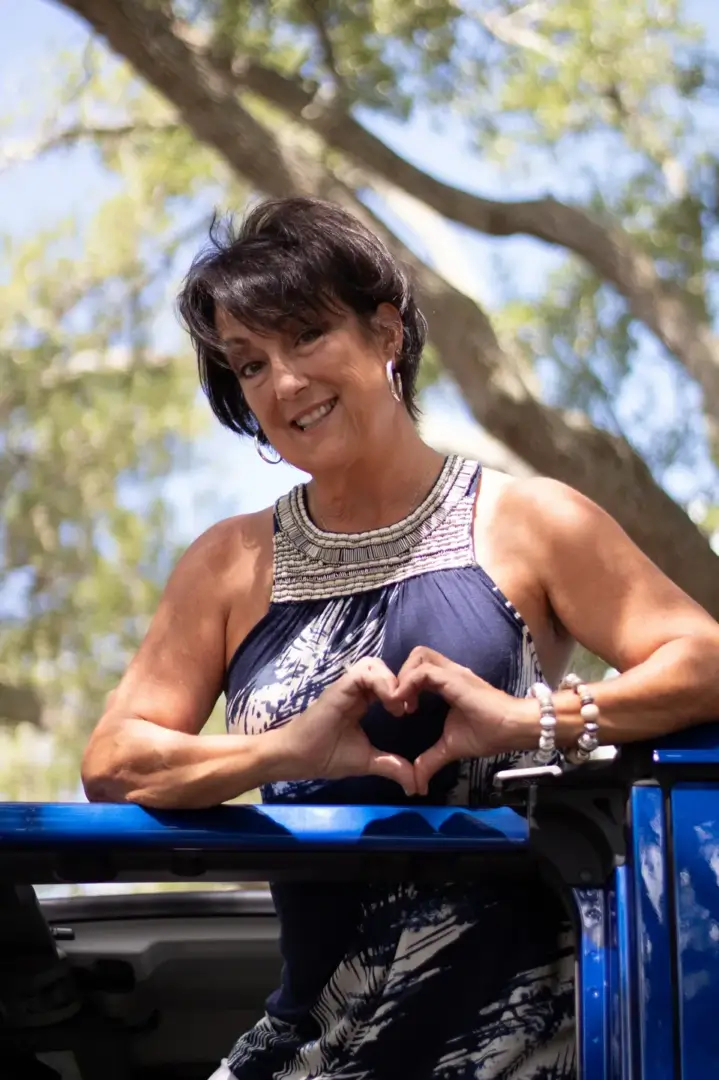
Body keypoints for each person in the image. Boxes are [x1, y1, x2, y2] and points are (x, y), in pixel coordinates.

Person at [81, 196, 719, 1080]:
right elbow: (115, 761)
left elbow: (704, 664)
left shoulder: (526, 521)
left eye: (306, 336)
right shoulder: (226, 564)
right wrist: (281, 751)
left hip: (520, 1041)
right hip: (313, 1039)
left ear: (385, 332)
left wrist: (526, 721)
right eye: (251, 364)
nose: (284, 383)